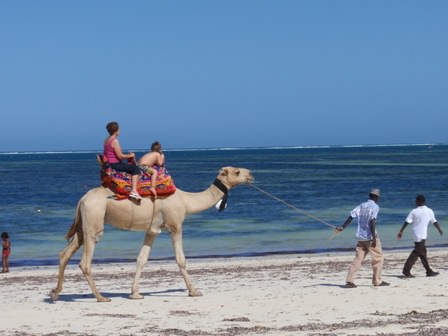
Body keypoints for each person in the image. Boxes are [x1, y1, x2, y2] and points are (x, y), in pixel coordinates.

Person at [335, 189, 390, 288]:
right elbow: (372, 221)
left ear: (369, 196)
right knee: (378, 259)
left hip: (361, 238)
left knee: (358, 259)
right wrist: (373, 237)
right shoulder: (375, 206)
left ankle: (349, 281)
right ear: (376, 197)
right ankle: (377, 281)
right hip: (370, 237)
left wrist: (342, 227)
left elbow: (351, 216)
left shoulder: (361, 205)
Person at [397, 195, 443, 278]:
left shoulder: (414, 211)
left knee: (422, 253)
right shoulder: (429, 211)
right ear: (424, 202)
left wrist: (401, 231)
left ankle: (428, 271)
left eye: (416, 201)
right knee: (416, 253)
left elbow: (407, 222)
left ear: (418, 201)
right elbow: (434, 222)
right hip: (422, 235)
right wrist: (439, 229)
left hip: (415, 234)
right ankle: (406, 270)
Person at [103, 121, 142, 200]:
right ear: (117, 130)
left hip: (110, 164)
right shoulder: (114, 141)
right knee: (135, 169)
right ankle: (134, 191)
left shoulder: (106, 140)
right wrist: (131, 155)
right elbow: (120, 156)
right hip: (115, 164)